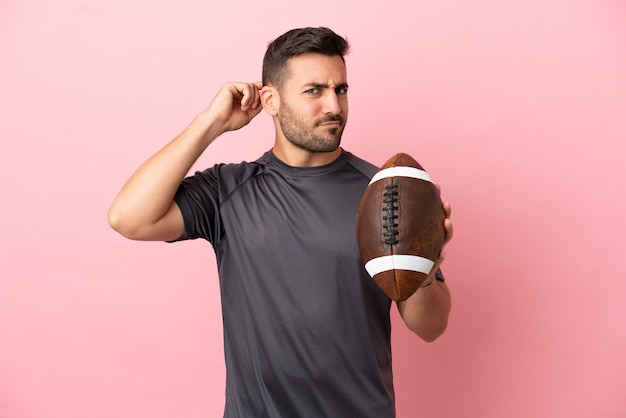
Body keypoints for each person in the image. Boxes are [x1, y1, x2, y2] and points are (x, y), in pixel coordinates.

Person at [108, 27, 453, 418]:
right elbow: (127, 217)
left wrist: (426, 268)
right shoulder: (229, 190)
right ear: (270, 100)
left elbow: (431, 327)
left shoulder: (383, 195)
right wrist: (211, 122)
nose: (334, 106)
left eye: (340, 90)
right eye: (314, 91)